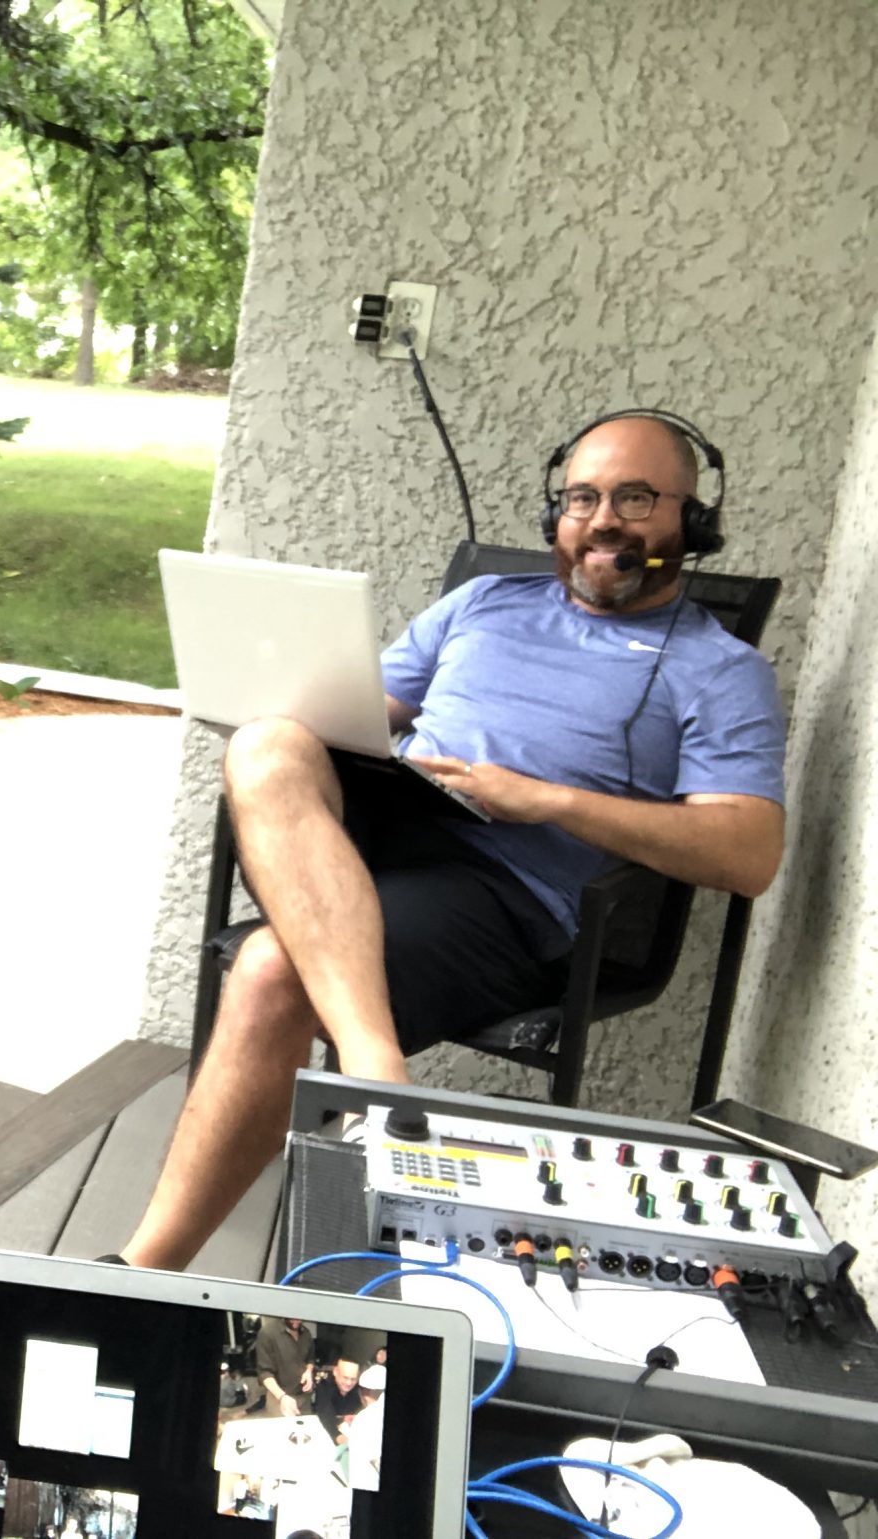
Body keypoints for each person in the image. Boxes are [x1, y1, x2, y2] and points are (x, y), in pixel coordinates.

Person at [120, 412, 787, 1272]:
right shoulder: (485, 602)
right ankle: (376, 1072)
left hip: (502, 891)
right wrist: (269, 691)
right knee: (266, 744)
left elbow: (746, 853)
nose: (602, 521)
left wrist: (547, 800)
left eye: (635, 498)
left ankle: (143, 1271)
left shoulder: (721, 669)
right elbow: (361, 708)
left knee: (273, 968)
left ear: (692, 520)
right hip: (389, 823)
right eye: (581, 498)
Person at [253, 1315, 316, 1417]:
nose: (297, 1321)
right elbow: (264, 1373)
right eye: (293, 1318)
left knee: (306, 1426)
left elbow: (310, 1359)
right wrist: (282, 1397)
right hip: (278, 1398)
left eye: (300, 1317)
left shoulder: (306, 1333)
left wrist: (308, 1371)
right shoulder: (267, 1333)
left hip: (304, 1397)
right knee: (282, 1427)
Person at [311, 1358, 364, 1443]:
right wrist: (337, 1436)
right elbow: (325, 1414)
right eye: (345, 1377)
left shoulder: (361, 1389)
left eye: (353, 1379)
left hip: (354, 1433)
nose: (349, 1383)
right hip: (327, 1433)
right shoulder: (324, 1385)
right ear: (335, 1372)